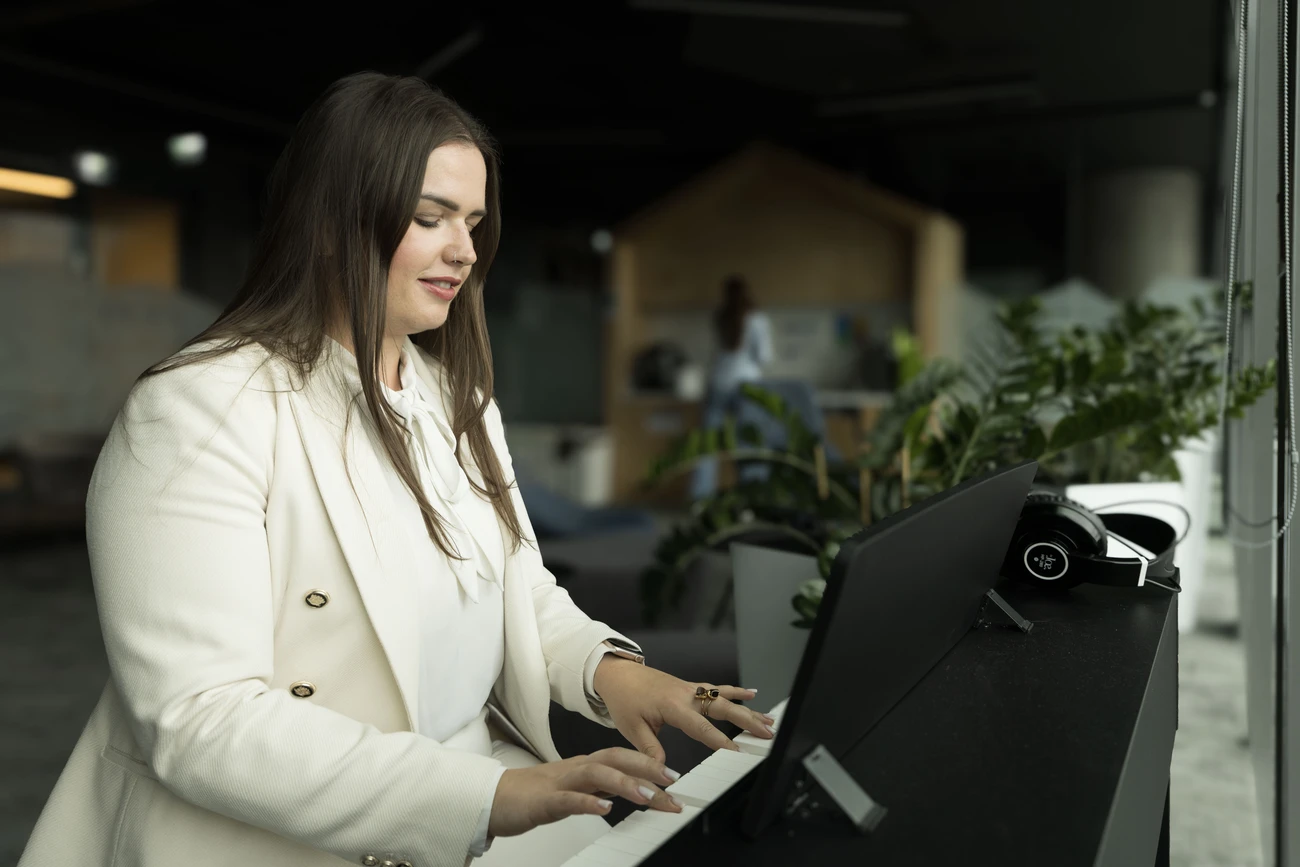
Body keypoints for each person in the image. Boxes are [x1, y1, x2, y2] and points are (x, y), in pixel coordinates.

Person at [17, 72, 774, 867]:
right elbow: (201, 717)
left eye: (474, 223)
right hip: (268, 837)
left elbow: (517, 586)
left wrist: (611, 671)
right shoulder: (198, 407)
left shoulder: (458, 396)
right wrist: (486, 798)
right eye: (430, 218)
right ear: (331, 224)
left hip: (470, 797)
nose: (466, 250)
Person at [691, 275, 775, 499]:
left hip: (718, 383)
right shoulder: (757, 319)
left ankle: (700, 499)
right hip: (746, 385)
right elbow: (765, 356)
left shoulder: (719, 316)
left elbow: (715, 354)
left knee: (708, 446)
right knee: (748, 443)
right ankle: (753, 497)